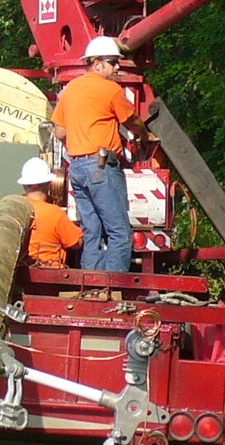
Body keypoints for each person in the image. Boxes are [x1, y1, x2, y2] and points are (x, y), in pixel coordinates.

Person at [51, 36, 148, 272]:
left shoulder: (70, 90)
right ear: (97, 64)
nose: (117, 68)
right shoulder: (110, 89)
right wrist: (146, 135)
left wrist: (81, 139)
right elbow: (132, 120)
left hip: (78, 169)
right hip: (102, 166)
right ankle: (113, 287)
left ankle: (91, 284)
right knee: (119, 232)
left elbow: (60, 131)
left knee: (92, 230)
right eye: (113, 62)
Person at [18, 156, 83, 268]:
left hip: (19, 272)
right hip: (50, 274)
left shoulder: (16, 207)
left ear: (24, 185)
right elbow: (76, 244)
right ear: (48, 184)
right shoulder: (55, 213)